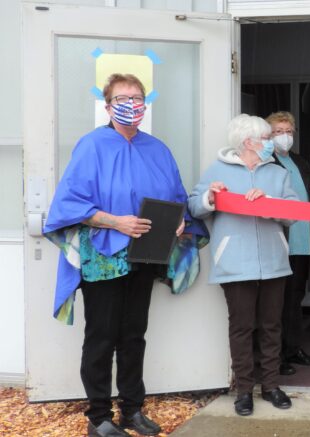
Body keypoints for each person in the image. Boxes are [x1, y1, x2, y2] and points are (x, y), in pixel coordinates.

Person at [43, 73, 190, 437]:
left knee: (134, 335)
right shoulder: (91, 146)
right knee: (102, 336)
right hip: (104, 257)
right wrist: (115, 222)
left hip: (145, 256)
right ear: (108, 106)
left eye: (137, 97)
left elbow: (177, 198)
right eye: (122, 98)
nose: (131, 103)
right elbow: (70, 205)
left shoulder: (158, 149)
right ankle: (98, 417)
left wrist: (179, 222)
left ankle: (132, 410)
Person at [189, 114, 298, 416]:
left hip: (275, 263)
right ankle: (244, 391)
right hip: (235, 264)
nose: (270, 143)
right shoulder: (217, 170)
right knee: (241, 328)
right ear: (248, 142)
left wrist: (270, 203)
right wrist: (211, 196)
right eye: (266, 139)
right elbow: (194, 206)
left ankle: (271, 386)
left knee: (271, 326)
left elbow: (293, 213)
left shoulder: (277, 173)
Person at [264, 111, 310, 376]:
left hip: (303, 240)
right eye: (277, 131)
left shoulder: (299, 161)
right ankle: (274, 357)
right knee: (276, 303)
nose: (284, 136)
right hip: (279, 242)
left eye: (288, 131)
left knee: (294, 299)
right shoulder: (265, 163)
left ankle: (293, 348)